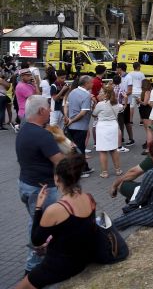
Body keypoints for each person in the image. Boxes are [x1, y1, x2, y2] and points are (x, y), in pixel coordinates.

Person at [17, 155, 97, 289]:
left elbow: (37, 240)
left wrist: (38, 208)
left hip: (61, 264)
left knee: (21, 286)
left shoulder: (55, 209)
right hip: (83, 257)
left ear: (57, 178)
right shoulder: (88, 197)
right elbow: (74, 228)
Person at [16, 96, 66, 275]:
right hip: (42, 189)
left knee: (35, 222)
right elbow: (60, 162)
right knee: (43, 226)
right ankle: (33, 268)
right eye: (48, 108)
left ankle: (44, 258)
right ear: (41, 111)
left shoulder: (23, 129)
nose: (50, 111)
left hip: (25, 184)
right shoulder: (43, 135)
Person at [65, 75, 94, 176]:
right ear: (86, 84)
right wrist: (72, 120)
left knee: (74, 148)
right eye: (91, 82)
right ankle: (80, 171)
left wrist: (67, 118)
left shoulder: (72, 92)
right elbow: (83, 113)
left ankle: (85, 167)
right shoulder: (86, 95)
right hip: (80, 127)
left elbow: (66, 105)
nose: (93, 84)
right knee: (80, 149)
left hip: (70, 126)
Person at [92, 84, 124, 178]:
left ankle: (104, 172)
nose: (100, 93)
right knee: (114, 149)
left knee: (103, 150)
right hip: (113, 125)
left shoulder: (100, 104)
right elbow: (121, 109)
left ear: (106, 94)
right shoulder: (116, 103)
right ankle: (118, 170)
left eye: (101, 92)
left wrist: (94, 103)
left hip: (102, 126)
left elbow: (94, 114)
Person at [116, 63, 135, 146]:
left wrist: (121, 94)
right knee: (120, 121)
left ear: (120, 69)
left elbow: (130, 91)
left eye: (117, 68)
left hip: (126, 103)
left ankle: (131, 139)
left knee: (127, 122)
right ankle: (122, 138)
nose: (116, 70)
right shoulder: (119, 77)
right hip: (119, 103)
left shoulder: (129, 77)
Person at [138, 79, 153, 146]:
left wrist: (139, 100)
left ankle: (149, 142)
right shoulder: (145, 91)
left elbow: (145, 103)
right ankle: (148, 140)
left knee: (147, 128)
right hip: (144, 110)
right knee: (147, 127)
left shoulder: (147, 92)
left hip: (146, 110)